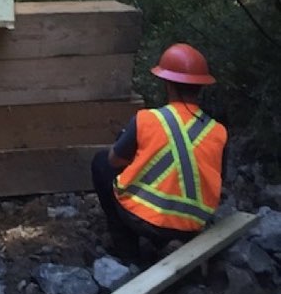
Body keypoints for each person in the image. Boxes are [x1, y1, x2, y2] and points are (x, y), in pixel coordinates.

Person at [91, 42, 228, 262]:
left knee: (101, 164)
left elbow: (114, 160)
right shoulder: (218, 132)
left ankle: (128, 253)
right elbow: (214, 178)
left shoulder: (147, 119)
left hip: (143, 220)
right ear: (201, 87)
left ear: (167, 84)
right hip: (192, 226)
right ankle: (171, 241)